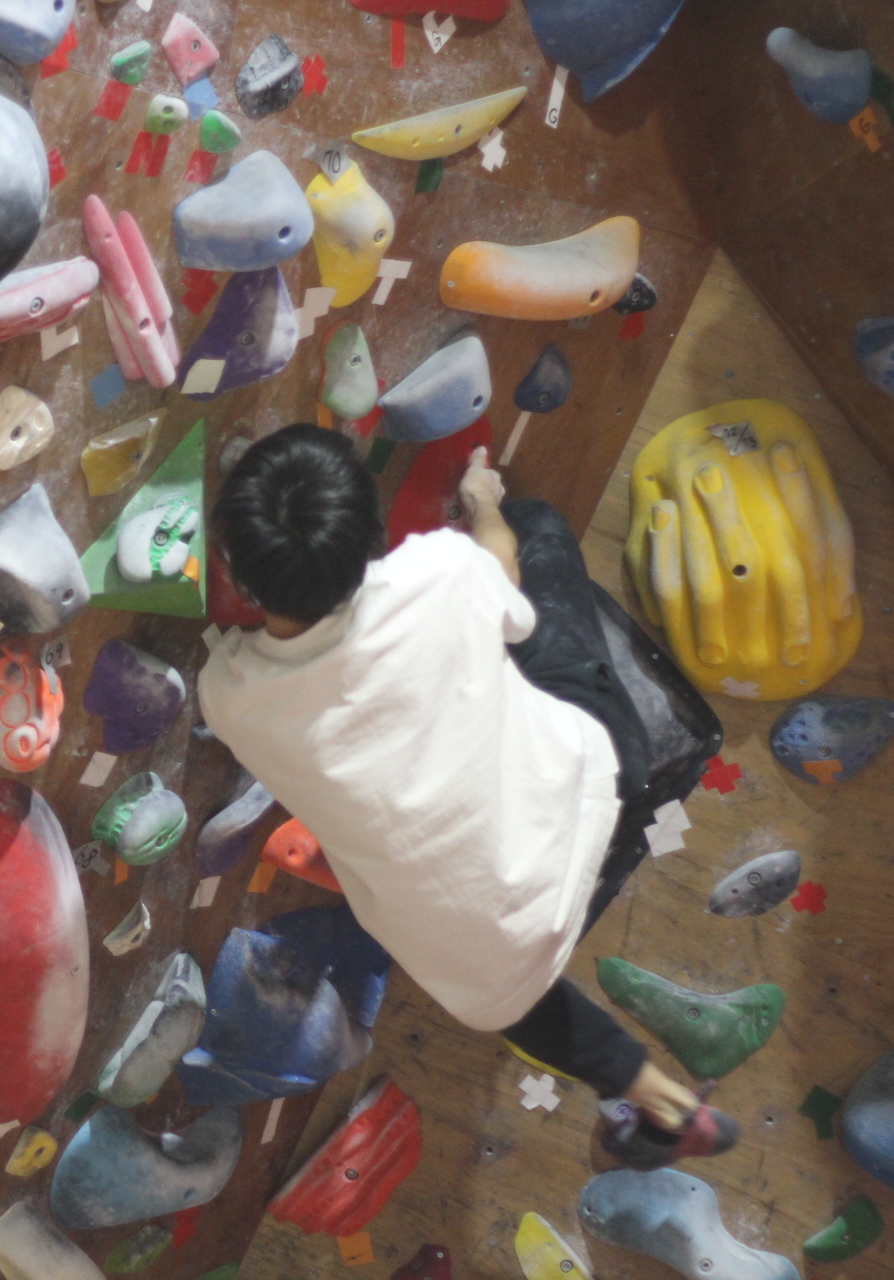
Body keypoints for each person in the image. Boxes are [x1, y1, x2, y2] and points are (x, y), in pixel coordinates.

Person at [198, 423, 735, 1168]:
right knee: (535, 528)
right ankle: (672, 1107)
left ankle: (668, 1103)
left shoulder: (230, 698)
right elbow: (502, 572)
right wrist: (483, 503)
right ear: (371, 539)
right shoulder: (437, 572)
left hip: (491, 960)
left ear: (233, 572)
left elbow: (250, 659)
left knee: (501, 982)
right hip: (588, 787)